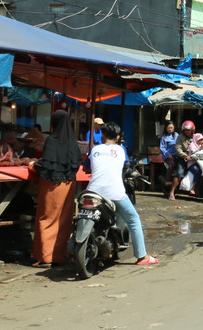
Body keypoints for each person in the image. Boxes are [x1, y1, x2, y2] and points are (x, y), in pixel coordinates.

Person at [84, 122, 158, 265]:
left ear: (102, 135)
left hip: (92, 192)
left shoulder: (94, 149)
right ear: (118, 137)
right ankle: (142, 256)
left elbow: (86, 168)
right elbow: (126, 164)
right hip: (115, 194)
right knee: (133, 219)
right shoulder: (121, 149)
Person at [31, 110, 82, 267]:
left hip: (51, 185)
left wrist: (33, 164)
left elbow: (46, 164)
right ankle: (59, 256)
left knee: (47, 217)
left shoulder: (52, 140)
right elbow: (76, 164)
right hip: (68, 185)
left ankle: (45, 257)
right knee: (63, 220)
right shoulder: (73, 142)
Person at [170, 122, 203, 199]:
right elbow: (178, 149)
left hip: (195, 158)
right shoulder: (180, 137)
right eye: (185, 130)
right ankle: (171, 192)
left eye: (189, 130)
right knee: (180, 173)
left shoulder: (196, 136)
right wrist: (185, 156)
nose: (187, 132)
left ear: (192, 130)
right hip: (183, 158)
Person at [159, 121, 177, 192]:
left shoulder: (176, 135)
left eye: (171, 127)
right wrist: (167, 154)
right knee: (171, 165)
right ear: (166, 128)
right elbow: (162, 148)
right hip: (168, 156)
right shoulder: (164, 137)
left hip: (177, 155)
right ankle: (167, 180)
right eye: (169, 128)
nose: (170, 129)